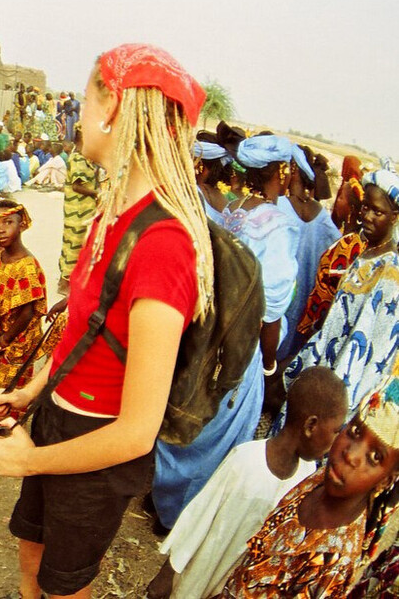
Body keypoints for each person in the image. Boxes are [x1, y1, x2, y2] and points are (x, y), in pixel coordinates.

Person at [0, 44, 212, 599]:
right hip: (59, 420)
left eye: (86, 99)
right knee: (31, 556)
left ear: (112, 106)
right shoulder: (112, 216)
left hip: (97, 446)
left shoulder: (163, 245)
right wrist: (34, 391)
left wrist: (31, 459)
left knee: (67, 585)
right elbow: (87, 335)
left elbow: (135, 433)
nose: (77, 114)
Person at [152, 134, 300, 531]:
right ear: (281, 172)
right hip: (242, 346)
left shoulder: (232, 212)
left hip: (208, 334)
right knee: (219, 429)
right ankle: (183, 517)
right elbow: (270, 313)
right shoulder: (279, 229)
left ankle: (162, 500)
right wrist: (269, 368)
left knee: (190, 410)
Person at [146, 367, 347, 599]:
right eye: (335, 431)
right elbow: (199, 518)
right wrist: (167, 574)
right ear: (311, 426)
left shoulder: (306, 477)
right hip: (201, 575)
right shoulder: (245, 460)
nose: (335, 442)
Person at [222, 380, 399, 598]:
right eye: (354, 431)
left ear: (385, 481)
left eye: (374, 457)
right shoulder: (321, 478)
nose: (351, 455)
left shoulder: (334, 563)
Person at [285, 171, 399, 415]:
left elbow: (373, 346)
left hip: (344, 383)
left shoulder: (390, 271)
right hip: (326, 366)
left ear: (394, 218)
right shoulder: (366, 253)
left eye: (377, 212)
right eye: (365, 207)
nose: (366, 216)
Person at [0, 199, 56, 389]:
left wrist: (5, 339)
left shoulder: (27, 266)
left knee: (12, 386)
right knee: (3, 382)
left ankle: (9, 418)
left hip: (18, 339)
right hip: (1, 335)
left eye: (8, 222)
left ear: (22, 224)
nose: (1, 229)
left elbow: (27, 313)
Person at [275, 144, 341, 359]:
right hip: (305, 312)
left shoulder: (278, 207)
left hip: (277, 306)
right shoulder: (324, 219)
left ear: (293, 169)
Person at [58, 129, 100, 292]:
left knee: (79, 243)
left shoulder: (85, 158)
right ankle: (64, 282)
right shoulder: (77, 159)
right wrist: (99, 194)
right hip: (76, 211)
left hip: (84, 210)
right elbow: (77, 185)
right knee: (73, 244)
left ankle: (73, 278)